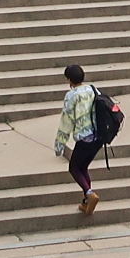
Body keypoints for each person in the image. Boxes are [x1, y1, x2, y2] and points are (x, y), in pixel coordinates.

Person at [57, 63, 102, 213]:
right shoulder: (93, 89)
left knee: (74, 168)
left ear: (69, 79)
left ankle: (90, 194)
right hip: (98, 137)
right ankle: (86, 202)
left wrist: (60, 144)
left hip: (85, 138)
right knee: (83, 167)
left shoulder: (71, 95)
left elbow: (66, 121)